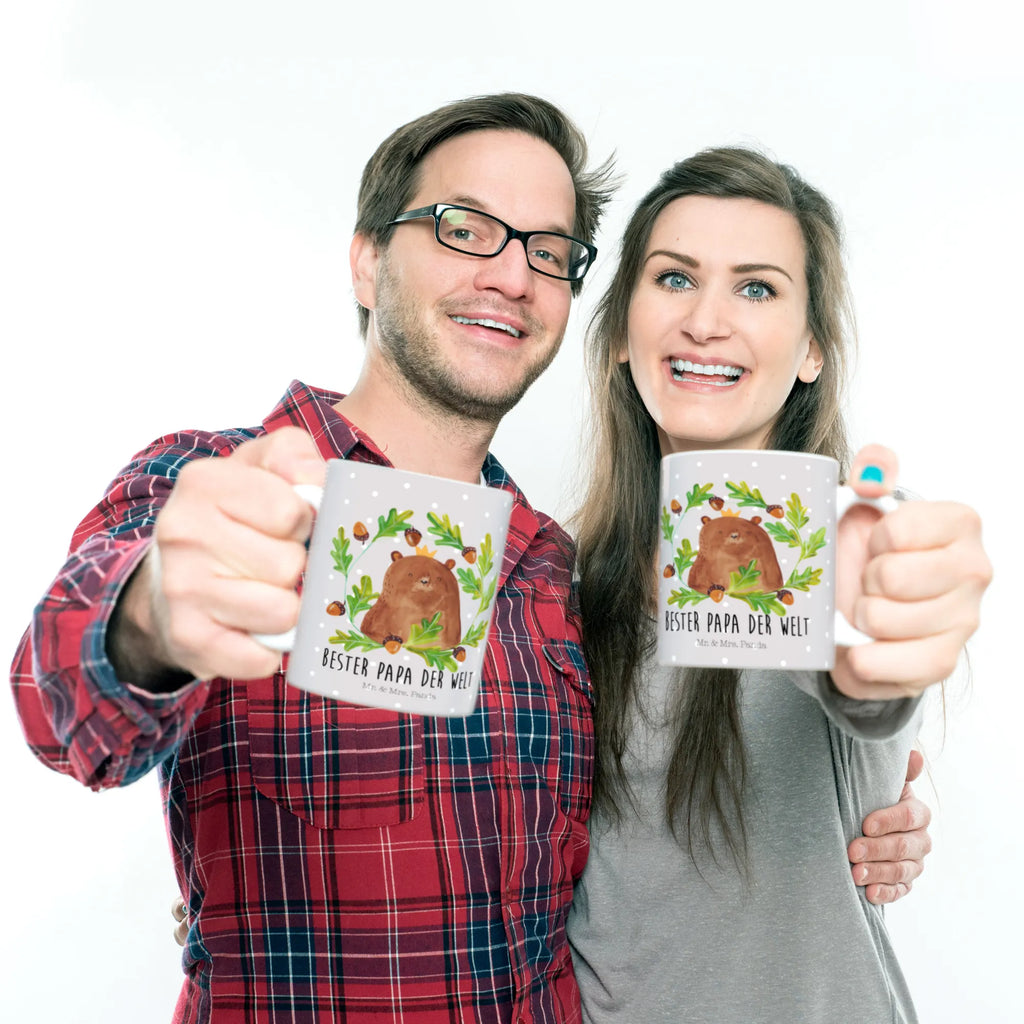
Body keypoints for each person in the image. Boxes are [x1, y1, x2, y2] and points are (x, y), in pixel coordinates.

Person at [12, 93, 939, 1023]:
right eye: (465, 229)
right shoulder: (215, 486)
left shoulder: (552, 573)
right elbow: (64, 708)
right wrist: (153, 618)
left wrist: (867, 774)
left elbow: (805, 721)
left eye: (546, 251)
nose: (509, 274)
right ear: (368, 260)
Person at [566, 146, 992, 1022]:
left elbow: (867, 681)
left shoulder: (845, 546)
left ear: (810, 352)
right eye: (675, 279)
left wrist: (887, 638)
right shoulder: (561, 584)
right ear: (618, 332)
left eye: (756, 288)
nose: (706, 322)